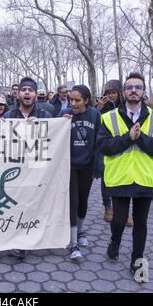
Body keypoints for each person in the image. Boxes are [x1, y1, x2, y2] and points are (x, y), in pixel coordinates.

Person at [97, 72, 153, 278]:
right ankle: (115, 242)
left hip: (145, 179)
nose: (134, 90)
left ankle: (137, 262)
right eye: (130, 87)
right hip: (119, 178)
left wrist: (141, 138)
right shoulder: (108, 118)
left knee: (140, 222)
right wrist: (128, 138)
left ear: (144, 92)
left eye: (138, 87)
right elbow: (104, 147)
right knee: (118, 220)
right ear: (124, 92)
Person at [2, 77, 52, 260]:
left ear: (35, 94)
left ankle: (30, 237)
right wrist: (0, 127)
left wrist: (62, 123)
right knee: (15, 204)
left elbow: (54, 137)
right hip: (15, 168)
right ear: (18, 94)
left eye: (30, 90)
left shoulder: (45, 116)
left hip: (36, 168)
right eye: (23, 90)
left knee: (31, 204)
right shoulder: (9, 116)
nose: (27, 93)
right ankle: (16, 242)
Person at [58, 85, 103, 260]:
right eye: (71, 100)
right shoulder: (66, 113)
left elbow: (100, 141)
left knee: (83, 200)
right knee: (73, 201)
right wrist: (62, 122)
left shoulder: (95, 115)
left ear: (86, 100)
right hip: (70, 165)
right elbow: (55, 133)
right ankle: (73, 242)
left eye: (77, 100)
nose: (73, 103)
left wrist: (98, 167)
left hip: (87, 165)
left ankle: (80, 229)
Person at [96, 80, 132, 226]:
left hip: (122, 146)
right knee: (106, 177)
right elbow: (95, 122)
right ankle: (107, 208)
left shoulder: (125, 107)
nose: (111, 96)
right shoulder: (102, 107)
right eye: (108, 93)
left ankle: (123, 212)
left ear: (119, 93)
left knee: (124, 178)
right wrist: (98, 108)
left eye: (113, 92)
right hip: (105, 147)